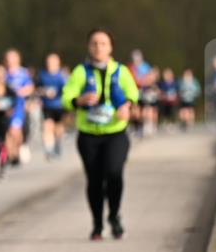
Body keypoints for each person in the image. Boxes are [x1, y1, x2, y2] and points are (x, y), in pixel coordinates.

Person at [62, 29, 139, 240]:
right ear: (88, 46)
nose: (98, 48)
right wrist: (79, 100)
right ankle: (97, 224)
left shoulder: (121, 71)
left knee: (114, 174)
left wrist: (127, 106)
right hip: (89, 135)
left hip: (115, 133)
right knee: (94, 180)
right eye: (94, 43)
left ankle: (114, 216)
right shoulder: (80, 72)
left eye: (103, 43)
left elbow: (133, 93)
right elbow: (66, 96)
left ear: (110, 47)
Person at [3, 49, 34, 165]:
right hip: (6, 108)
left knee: (14, 131)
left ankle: (16, 151)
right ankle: (11, 155)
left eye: (12, 58)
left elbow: (30, 88)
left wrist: (20, 92)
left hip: (19, 107)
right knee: (9, 133)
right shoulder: (3, 74)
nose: (10, 61)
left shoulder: (23, 73)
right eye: (8, 58)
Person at [37, 53, 69, 160]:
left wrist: (57, 93)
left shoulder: (61, 76)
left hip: (59, 105)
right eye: (49, 61)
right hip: (47, 106)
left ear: (58, 62)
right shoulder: (42, 75)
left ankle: (58, 143)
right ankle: (49, 150)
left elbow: (66, 90)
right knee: (47, 126)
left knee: (58, 128)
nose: (50, 63)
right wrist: (43, 92)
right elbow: (37, 88)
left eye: (53, 61)